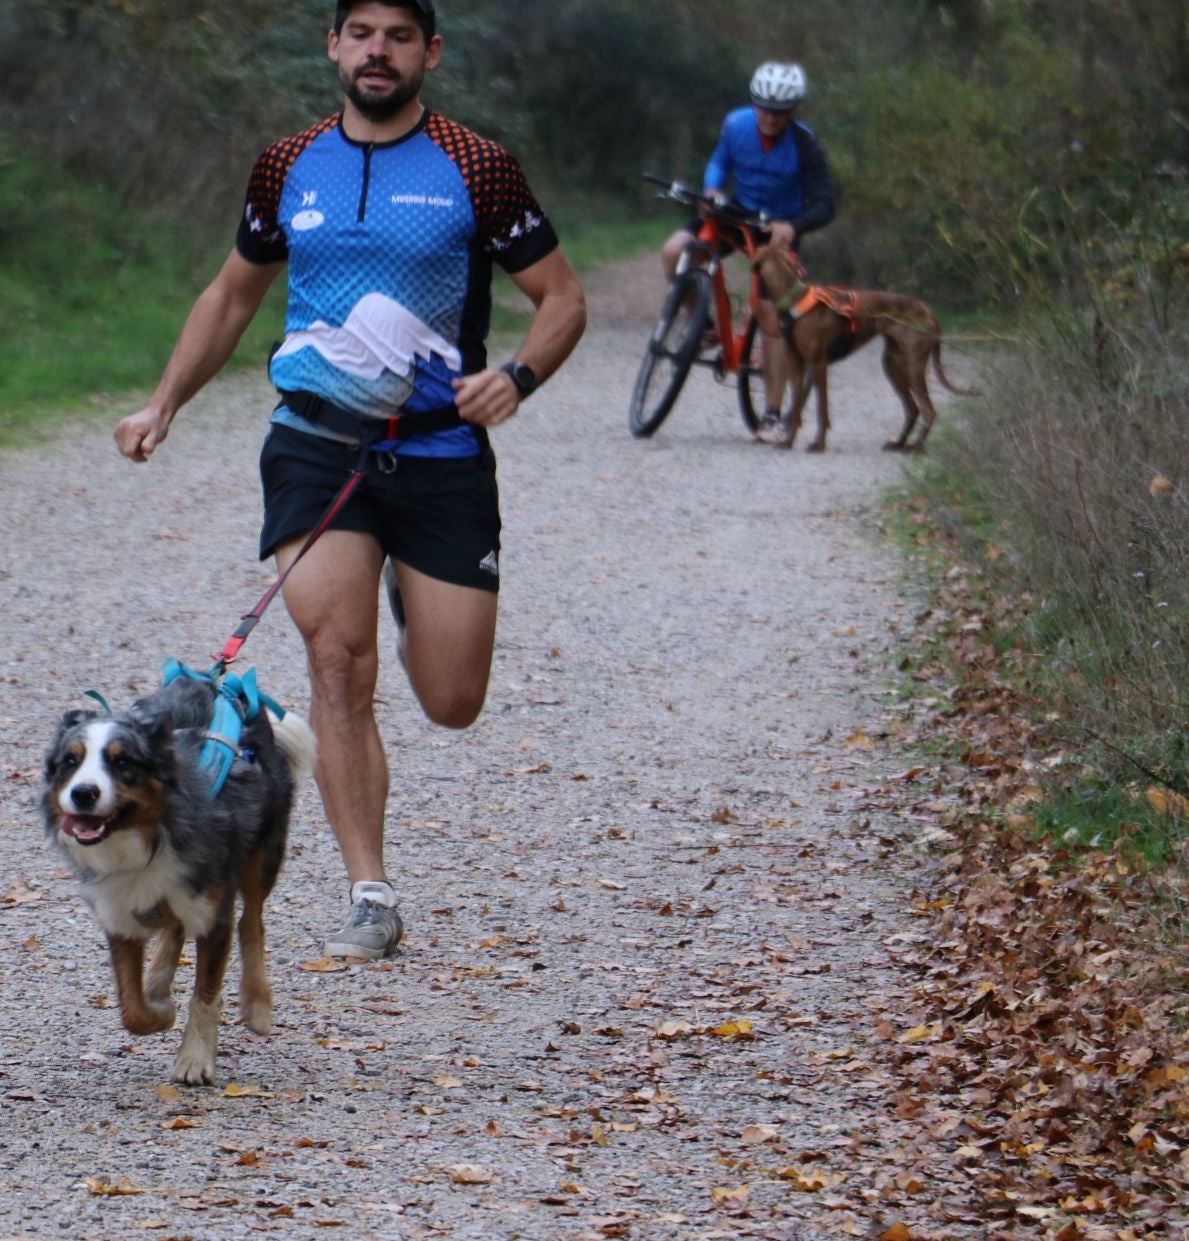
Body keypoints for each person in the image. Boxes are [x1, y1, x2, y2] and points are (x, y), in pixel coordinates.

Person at [112, 0, 586, 961]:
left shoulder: (477, 165)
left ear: (430, 53)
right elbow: (233, 293)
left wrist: (519, 376)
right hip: (316, 445)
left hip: (442, 452)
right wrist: (165, 401)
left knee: (452, 699)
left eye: (400, 36)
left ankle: (418, 601)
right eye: (361, 32)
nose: (379, 51)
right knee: (337, 662)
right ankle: (370, 889)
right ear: (333, 45)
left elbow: (562, 299)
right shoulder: (287, 164)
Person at [659, 61, 835, 443]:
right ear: (753, 103)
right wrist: (711, 191)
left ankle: (772, 416)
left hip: (778, 230)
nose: (769, 118)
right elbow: (719, 162)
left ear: (793, 111)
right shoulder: (736, 124)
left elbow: (825, 203)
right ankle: (704, 327)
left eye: (779, 112)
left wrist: (795, 225)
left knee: (770, 315)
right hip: (734, 213)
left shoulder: (806, 144)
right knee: (675, 251)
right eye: (763, 108)